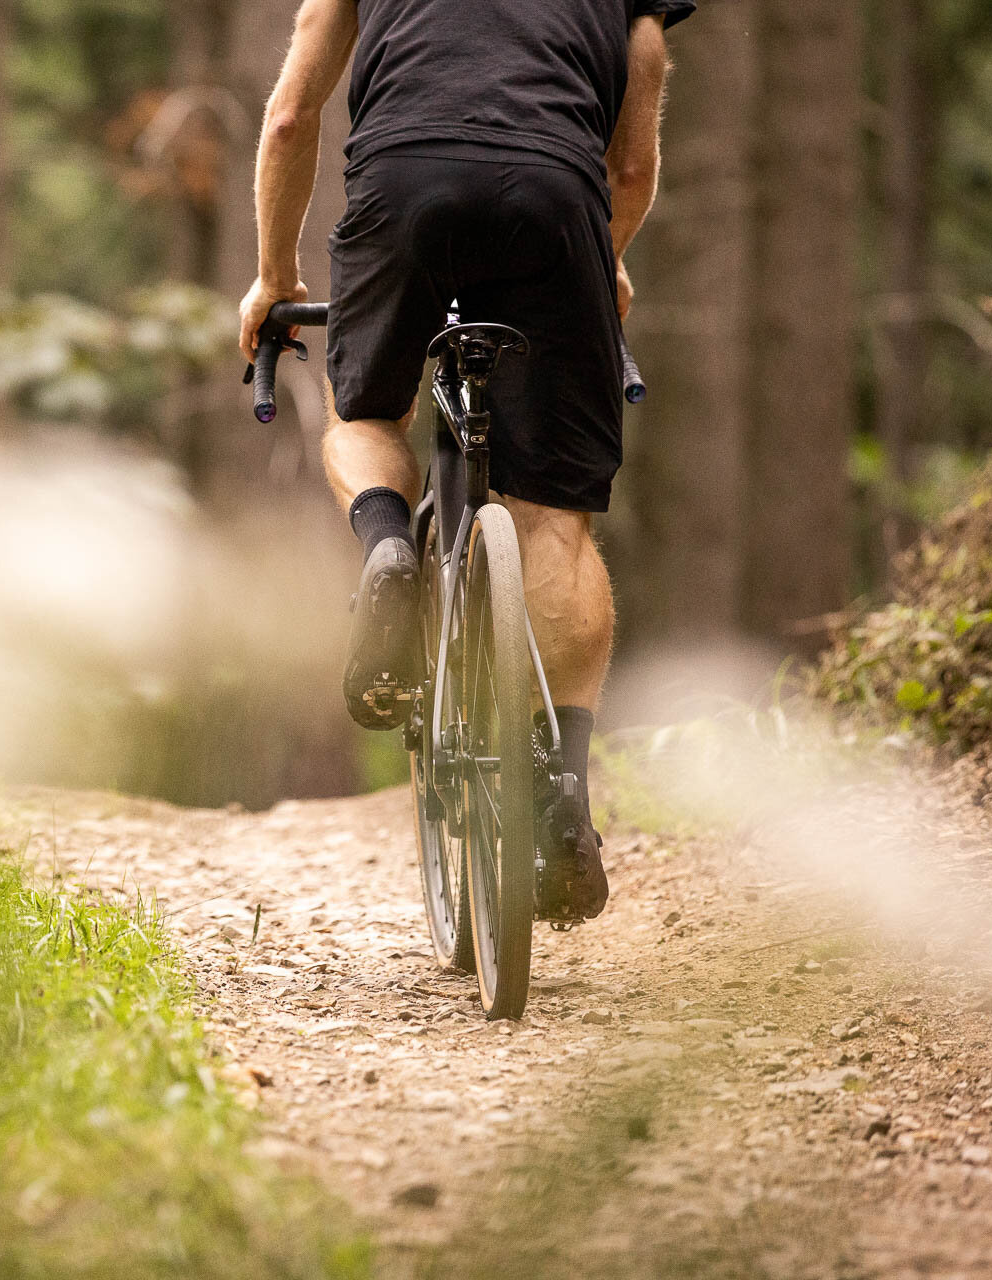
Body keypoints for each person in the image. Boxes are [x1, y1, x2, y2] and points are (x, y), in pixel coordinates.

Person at [238, 0, 693, 920]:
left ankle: (386, 554)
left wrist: (275, 274)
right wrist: (597, 262)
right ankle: (561, 785)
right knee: (557, 518)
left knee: (364, 411)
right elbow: (633, 164)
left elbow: (291, 117)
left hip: (405, 185)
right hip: (554, 197)